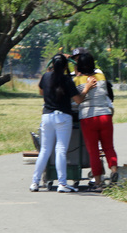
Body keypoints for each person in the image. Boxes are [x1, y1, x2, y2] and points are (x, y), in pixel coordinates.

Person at [31, 53, 93, 193]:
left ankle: (35, 182)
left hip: (47, 116)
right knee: (60, 150)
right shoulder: (67, 80)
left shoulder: (46, 77)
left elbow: (41, 91)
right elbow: (78, 100)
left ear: (52, 64)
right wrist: (86, 88)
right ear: (66, 66)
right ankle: (62, 183)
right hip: (63, 117)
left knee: (45, 151)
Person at [72, 52, 119, 190]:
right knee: (108, 147)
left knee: (93, 151)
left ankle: (98, 182)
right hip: (105, 115)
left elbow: (76, 101)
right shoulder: (101, 76)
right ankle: (114, 170)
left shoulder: (77, 81)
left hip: (88, 118)